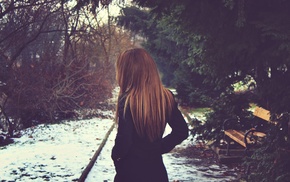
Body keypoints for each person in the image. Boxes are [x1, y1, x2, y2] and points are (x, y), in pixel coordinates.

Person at [111, 48, 188, 182]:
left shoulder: (127, 100)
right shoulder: (166, 97)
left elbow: (124, 139)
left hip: (130, 172)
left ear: (126, 72)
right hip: (156, 172)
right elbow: (181, 131)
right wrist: (157, 148)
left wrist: (116, 156)